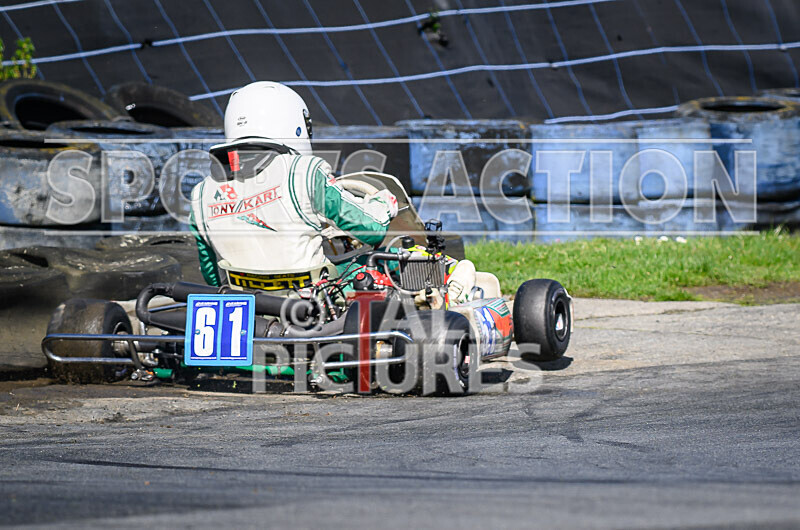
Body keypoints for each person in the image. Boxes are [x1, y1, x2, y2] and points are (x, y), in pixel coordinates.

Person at [189, 81, 398, 287]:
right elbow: (372, 229)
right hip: (313, 298)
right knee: (395, 257)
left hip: (244, 301)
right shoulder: (306, 172)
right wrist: (383, 204)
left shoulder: (201, 194)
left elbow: (212, 276)